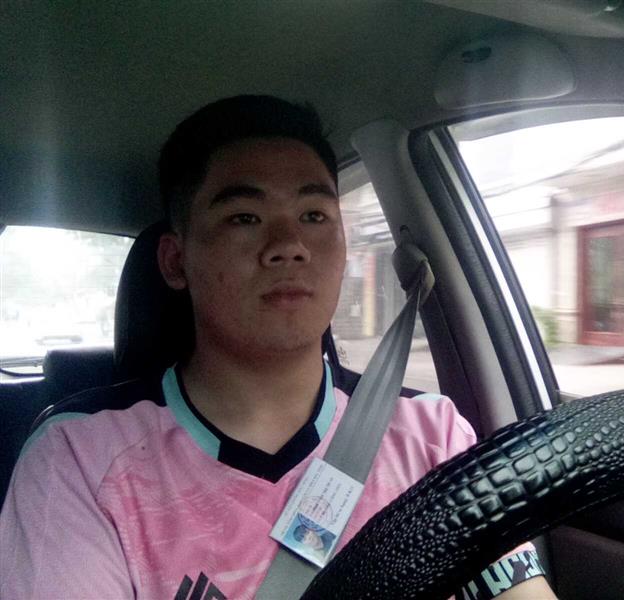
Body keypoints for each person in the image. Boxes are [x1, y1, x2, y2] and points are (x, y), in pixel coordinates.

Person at [0, 95, 555, 599]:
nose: (289, 246)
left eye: (314, 216)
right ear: (175, 261)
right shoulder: (78, 459)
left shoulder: (433, 437)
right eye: (244, 217)